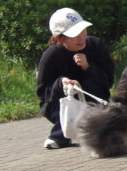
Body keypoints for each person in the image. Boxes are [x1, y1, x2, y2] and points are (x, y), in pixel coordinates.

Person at [36, 8, 114, 149]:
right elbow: (43, 94)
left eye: (83, 31)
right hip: (61, 107)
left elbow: (108, 81)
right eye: (74, 35)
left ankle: (71, 134)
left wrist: (88, 67)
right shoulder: (51, 56)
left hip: (94, 102)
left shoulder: (96, 45)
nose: (81, 37)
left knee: (91, 88)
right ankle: (60, 135)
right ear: (59, 38)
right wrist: (61, 84)